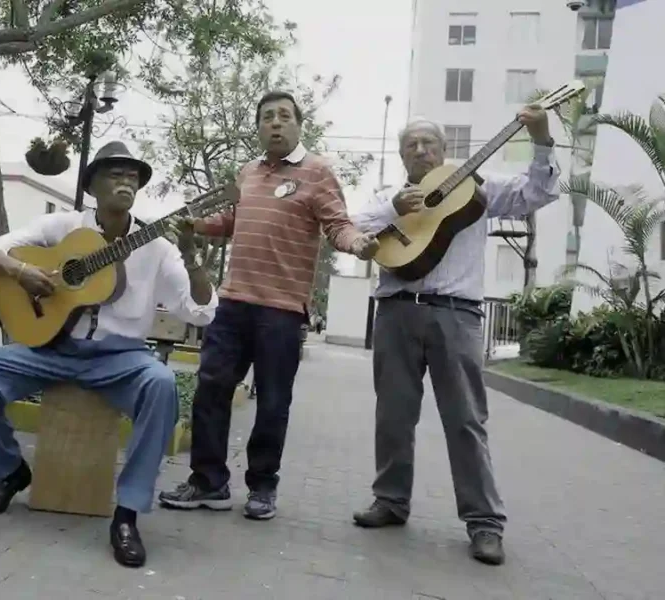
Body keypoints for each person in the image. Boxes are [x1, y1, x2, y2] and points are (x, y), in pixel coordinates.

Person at [0, 141, 216, 568]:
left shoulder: (158, 245)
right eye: (115, 174)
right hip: (52, 347)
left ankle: (128, 513)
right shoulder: (63, 227)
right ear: (92, 185)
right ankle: (9, 471)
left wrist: (192, 260)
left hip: (121, 359)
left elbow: (200, 312)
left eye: (133, 176)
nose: (126, 181)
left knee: (162, 383)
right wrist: (22, 271)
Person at [348, 104, 560, 566]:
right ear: (403, 155)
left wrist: (542, 139)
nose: (420, 150)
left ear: (446, 152)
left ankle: (485, 523)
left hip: (457, 315)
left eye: (429, 144)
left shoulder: (475, 189)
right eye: (411, 145)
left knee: (465, 421)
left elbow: (537, 192)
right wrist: (392, 209)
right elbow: (350, 228)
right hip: (395, 313)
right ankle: (390, 501)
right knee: (393, 416)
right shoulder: (388, 194)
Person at [158, 91, 380, 520]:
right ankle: (208, 482)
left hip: (281, 309)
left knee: (274, 401)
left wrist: (359, 244)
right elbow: (232, 222)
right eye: (266, 118)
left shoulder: (317, 173)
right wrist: (196, 224)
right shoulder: (248, 173)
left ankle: (262, 487)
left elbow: (338, 225)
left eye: (283, 116)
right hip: (234, 302)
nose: (274, 123)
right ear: (258, 127)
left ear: (298, 124)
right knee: (211, 389)